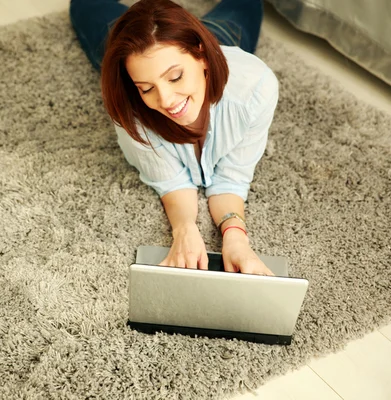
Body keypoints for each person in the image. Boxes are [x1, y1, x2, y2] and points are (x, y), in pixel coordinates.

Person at [70, 0, 278, 275]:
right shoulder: (130, 104)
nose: (166, 101)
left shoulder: (256, 88)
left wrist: (236, 237)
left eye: (176, 77)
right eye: (147, 88)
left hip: (216, 41)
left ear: (201, 56)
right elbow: (171, 181)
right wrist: (184, 229)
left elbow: (232, 178)